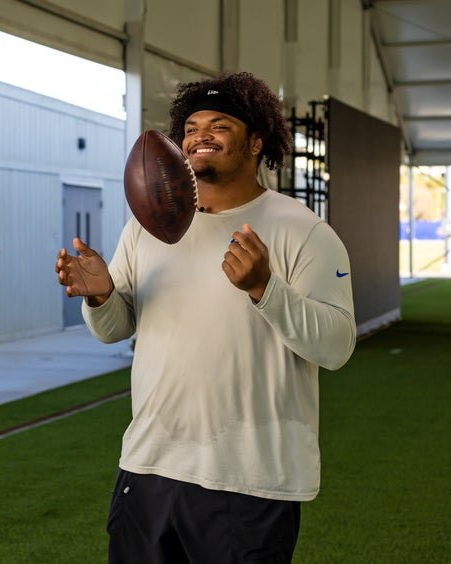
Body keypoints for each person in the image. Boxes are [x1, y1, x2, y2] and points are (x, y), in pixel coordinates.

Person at [55, 71, 356, 563]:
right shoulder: (146, 227)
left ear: (256, 142)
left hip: (249, 480)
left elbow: (338, 346)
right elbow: (115, 330)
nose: (201, 137)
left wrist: (265, 289)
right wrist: (101, 296)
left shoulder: (302, 231)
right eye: (192, 128)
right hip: (148, 466)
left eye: (220, 126)